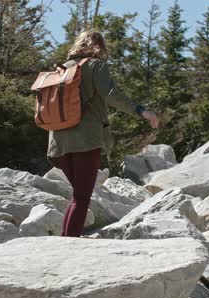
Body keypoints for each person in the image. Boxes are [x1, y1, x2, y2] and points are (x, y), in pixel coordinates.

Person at [47, 30, 159, 237]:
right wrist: (141, 111)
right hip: (86, 140)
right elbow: (112, 95)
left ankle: (64, 242)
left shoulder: (62, 69)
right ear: (100, 47)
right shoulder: (96, 66)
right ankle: (68, 246)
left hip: (58, 142)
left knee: (77, 197)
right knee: (81, 198)